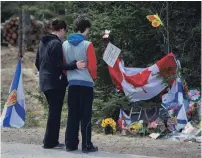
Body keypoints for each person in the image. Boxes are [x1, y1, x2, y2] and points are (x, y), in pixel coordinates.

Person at [35, 19, 86, 149]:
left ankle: (49, 140)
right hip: (55, 83)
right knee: (55, 112)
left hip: (44, 81)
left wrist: (44, 73)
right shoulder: (57, 44)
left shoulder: (43, 42)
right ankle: (50, 142)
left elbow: (37, 63)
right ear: (62, 29)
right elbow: (58, 65)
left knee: (53, 112)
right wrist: (75, 65)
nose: (65, 34)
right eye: (65, 31)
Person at [63, 15, 98, 153]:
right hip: (86, 85)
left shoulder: (64, 44)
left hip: (72, 84)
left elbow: (65, 65)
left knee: (72, 115)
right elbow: (93, 67)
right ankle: (86, 145)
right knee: (86, 115)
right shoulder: (87, 44)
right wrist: (93, 77)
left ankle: (70, 145)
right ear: (86, 28)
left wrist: (70, 76)